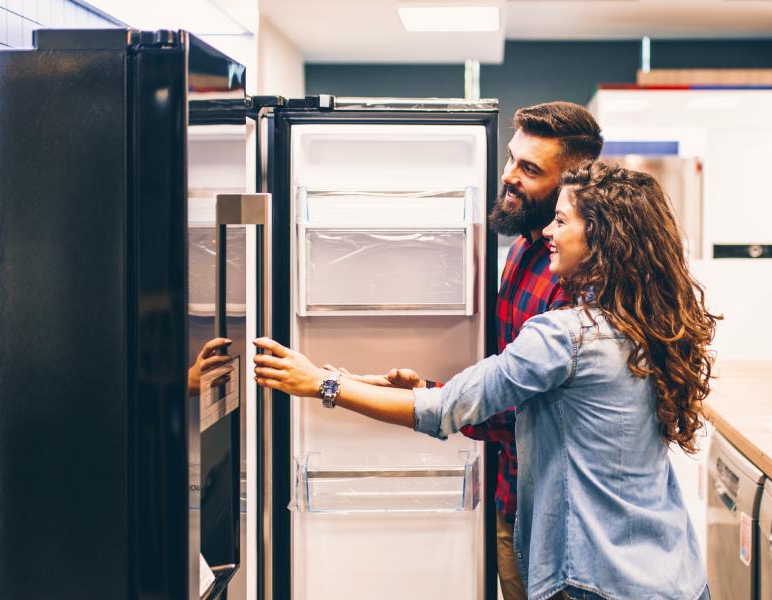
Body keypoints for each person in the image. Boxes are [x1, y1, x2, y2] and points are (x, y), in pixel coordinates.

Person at [253, 161, 718, 600]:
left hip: (596, 579)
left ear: (598, 235)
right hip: (674, 572)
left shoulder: (567, 335)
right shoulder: (650, 324)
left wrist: (321, 386)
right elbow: (500, 400)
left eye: (561, 221)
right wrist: (388, 386)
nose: (549, 234)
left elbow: (442, 412)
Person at [345, 101, 604, 600]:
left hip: (557, 515)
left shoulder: (571, 282)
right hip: (512, 489)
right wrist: (430, 390)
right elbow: (506, 376)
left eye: (530, 169)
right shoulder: (526, 247)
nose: (509, 176)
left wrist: (334, 386)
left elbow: (518, 408)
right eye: (511, 159)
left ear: (573, 183)